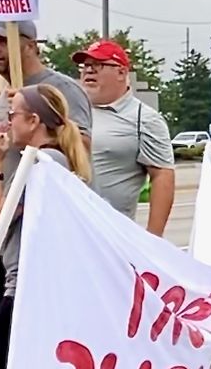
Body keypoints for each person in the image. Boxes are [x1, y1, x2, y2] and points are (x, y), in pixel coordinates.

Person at [0, 21, 90, 369]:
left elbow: (76, 156)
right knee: (8, 357)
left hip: (34, 259)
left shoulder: (55, 94)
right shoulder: (5, 95)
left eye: (4, 40)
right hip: (8, 245)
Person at [74, 39, 174, 235]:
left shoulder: (144, 119)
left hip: (110, 235)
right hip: (64, 230)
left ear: (121, 72)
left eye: (98, 65)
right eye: (85, 66)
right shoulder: (71, 110)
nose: (89, 71)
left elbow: (162, 176)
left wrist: (153, 239)